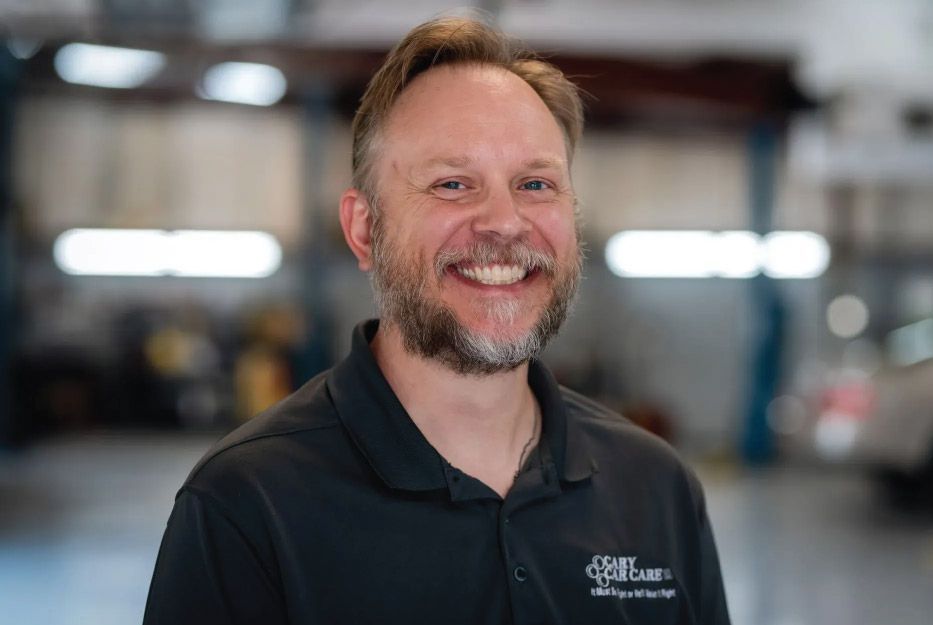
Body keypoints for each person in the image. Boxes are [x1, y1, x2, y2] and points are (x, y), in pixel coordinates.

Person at [144, 16, 730, 625]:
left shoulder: (656, 488)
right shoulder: (248, 503)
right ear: (365, 229)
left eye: (535, 183)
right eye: (453, 183)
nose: (504, 222)